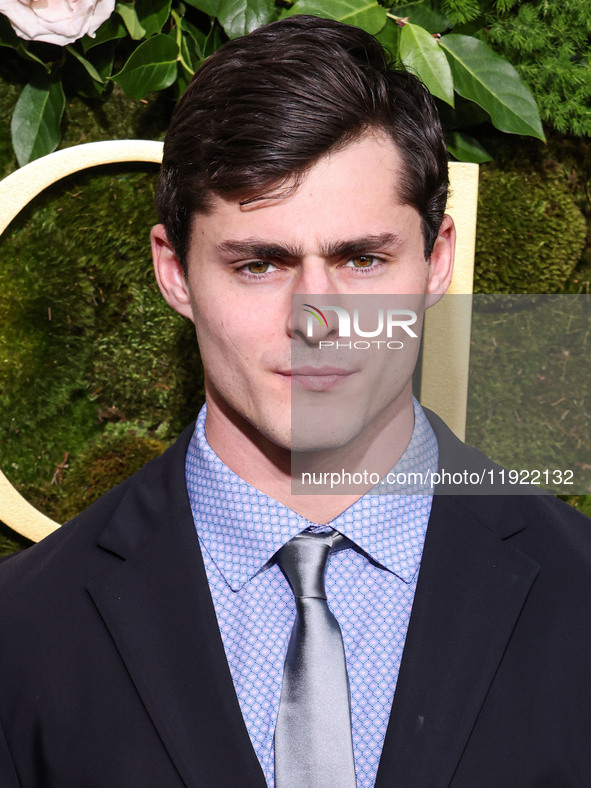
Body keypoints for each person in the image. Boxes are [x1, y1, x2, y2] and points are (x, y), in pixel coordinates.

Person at [1, 14, 590, 788]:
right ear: (174, 273)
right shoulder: (22, 632)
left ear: (435, 260)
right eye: (259, 264)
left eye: (361, 258)